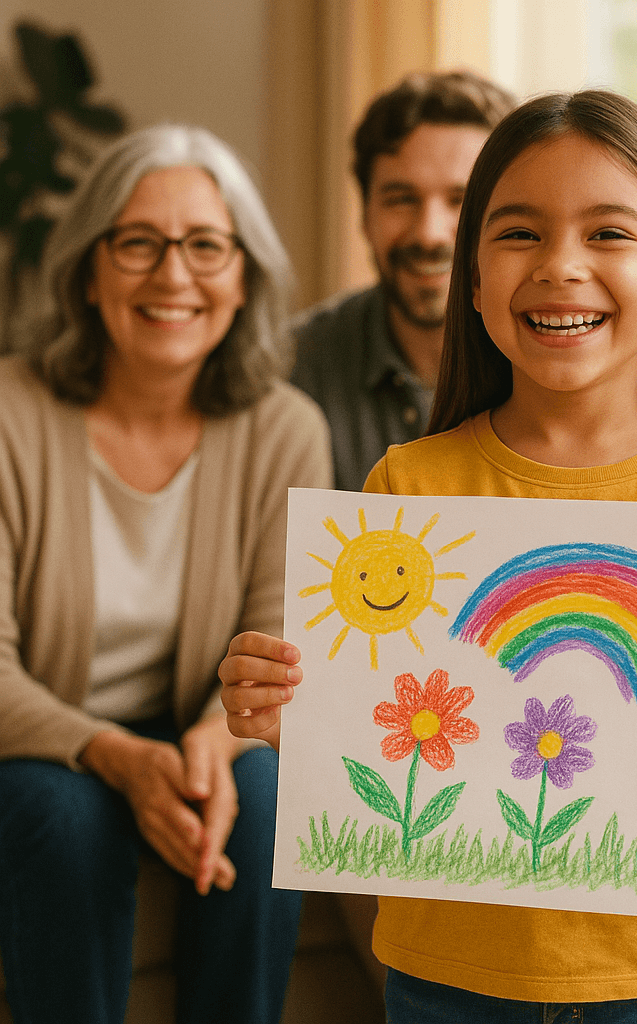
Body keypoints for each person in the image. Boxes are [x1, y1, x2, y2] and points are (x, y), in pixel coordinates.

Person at [222, 90, 637, 1022]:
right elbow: (373, 737)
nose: (560, 266)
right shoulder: (407, 483)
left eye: (607, 234)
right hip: (446, 983)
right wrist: (286, 714)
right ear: (473, 280)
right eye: (519, 234)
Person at [0, 124, 332, 1024]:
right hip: (44, 742)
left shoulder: (286, 428)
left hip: (201, 725)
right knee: (66, 816)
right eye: (138, 243)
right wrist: (119, 757)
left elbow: (278, 651)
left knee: (267, 795)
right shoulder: (9, 413)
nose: (173, 275)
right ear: (89, 269)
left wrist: (209, 747)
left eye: (206, 246)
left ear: (244, 276)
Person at [291, 69, 516, 491]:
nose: (429, 234)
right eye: (401, 199)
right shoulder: (294, 369)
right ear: (365, 216)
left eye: (461, 200)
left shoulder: (555, 364)